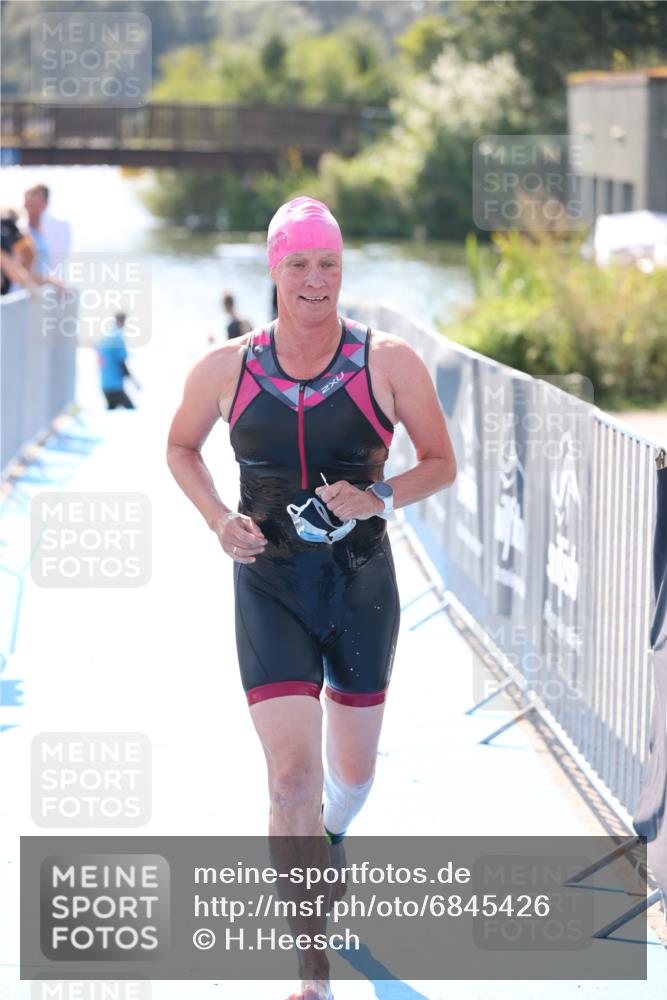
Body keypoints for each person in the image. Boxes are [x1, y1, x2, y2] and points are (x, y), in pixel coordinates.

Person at [167, 196, 456, 1000]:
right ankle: (311, 965)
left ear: (342, 268)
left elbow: (441, 462)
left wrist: (380, 495)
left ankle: (333, 830)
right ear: (273, 268)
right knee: (289, 782)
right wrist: (217, 518)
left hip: (360, 588)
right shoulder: (225, 368)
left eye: (327, 262)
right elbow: (180, 446)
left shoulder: (387, 361)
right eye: (297, 262)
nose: (314, 279)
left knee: (349, 780)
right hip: (269, 588)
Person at [95, 311, 138, 410]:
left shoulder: (105, 337)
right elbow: (122, 363)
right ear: (123, 321)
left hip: (105, 383)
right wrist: (133, 381)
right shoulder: (118, 339)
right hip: (115, 385)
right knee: (131, 410)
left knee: (111, 409)